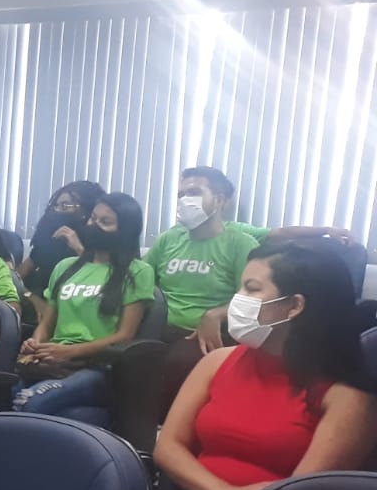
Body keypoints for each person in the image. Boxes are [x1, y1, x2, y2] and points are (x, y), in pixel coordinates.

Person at [149, 240, 376, 490]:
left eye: (251, 289)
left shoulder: (347, 395)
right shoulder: (218, 361)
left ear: (294, 306)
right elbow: (169, 447)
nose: (236, 300)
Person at [150, 166, 351, 401]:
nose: (184, 200)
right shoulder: (168, 239)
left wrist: (215, 314)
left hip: (201, 331)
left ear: (220, 200)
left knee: (178, 361)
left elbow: (253, 295)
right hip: (159, 326)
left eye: (194, 192)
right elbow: (144, 280)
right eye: (181, 194)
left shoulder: (240, 240)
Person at [13, 192, 154, 414]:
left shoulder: (138, 271)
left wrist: (70, 352)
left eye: (105, 222)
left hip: (96, 366)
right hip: (52, 357)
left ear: (125, 230)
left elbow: (125, 335)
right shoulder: (66, 266)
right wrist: (36, 344)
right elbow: (47, 324)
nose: (94, 225)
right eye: (93, 218)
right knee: (2, 394)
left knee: (29, 401)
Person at [17, 179, 104, 299]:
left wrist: (78, 247)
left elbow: (103, 277)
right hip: (38, 296)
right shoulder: (50, 235)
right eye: (56, 206)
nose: (57, 211)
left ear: (86, 210)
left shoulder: (100, 240)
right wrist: (30, 296)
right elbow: (19, 276)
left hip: (80, 297)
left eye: (65, 206)